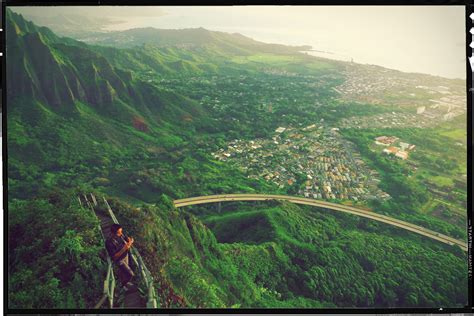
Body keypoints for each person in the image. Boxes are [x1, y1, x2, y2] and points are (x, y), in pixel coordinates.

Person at [105, 223, 136, 290]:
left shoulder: (120, 235)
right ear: (113, 233)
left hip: (125, 255)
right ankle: (123, 285)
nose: (121, 234)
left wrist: (129, 240)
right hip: (120, 260)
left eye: (121, 231)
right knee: (130, 274)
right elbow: (114, 257)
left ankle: (124, 284)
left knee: (123, 272)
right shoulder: (109, 242)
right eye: (119, 233)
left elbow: (125, 238)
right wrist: (125, 248)